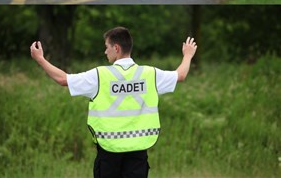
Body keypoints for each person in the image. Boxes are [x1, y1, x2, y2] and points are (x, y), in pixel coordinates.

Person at [30, 27, 197, 178]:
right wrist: (188, 55)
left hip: (108, 152)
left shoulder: (99, 76)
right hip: (138, 152)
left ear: (116, 48)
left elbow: (63, 79)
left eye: (107, 47)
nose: (105, 51)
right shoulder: (150, 74)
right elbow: (180, 75)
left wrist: (40, 60)